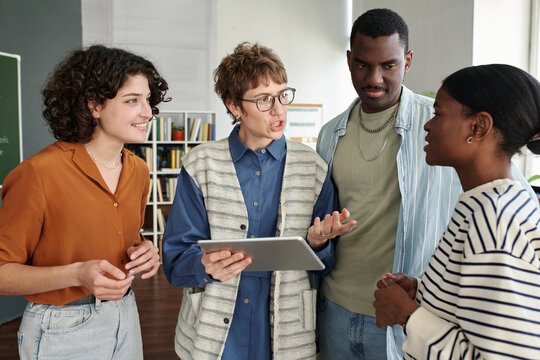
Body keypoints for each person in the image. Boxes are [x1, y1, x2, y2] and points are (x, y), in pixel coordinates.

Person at [315, 8, 535, 359]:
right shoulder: (331, 134)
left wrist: (407, 311)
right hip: (342, 308)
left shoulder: (494, 208)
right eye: (362, 65)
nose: (374, 77)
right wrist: (419, 291)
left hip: (406, 322)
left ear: (408, 60)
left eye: (388, 65)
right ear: (348, 60)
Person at [162, 42, 355, 360]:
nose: (279, 110)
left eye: (282, 95)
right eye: (264, 100)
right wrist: (205, 265)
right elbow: (175, 260)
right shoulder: (201, 165)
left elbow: (325, 266)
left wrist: (318, 244)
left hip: (287, 332)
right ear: (235, 106)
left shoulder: (313, 168)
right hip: (215, 334)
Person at [0, 45, 169, 359]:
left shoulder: (139, 171)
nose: (147, 112)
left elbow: (125, 238)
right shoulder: (38, 173)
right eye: (132, 100)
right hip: (60, 328)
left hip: (126, 316)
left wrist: (143, 251)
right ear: (94, 105)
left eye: (147, 100)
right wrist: (77, 274)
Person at [373, 63, 540, 359]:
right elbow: (480, 313)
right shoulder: (486, 203)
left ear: (478, 127)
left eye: (438, 114)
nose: (428, 125)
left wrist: (408, 315)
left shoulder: (495, 220)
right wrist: (422, 291)